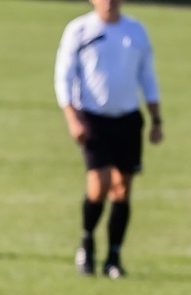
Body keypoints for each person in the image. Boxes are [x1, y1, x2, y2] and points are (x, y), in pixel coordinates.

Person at [54, 0, 162, 278]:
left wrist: (156, 118)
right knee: (99, 184)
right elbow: (64, 76)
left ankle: (114, 256)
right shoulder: (79, 30)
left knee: (122, 190)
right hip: (93, 117)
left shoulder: (135, 31)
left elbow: (147, 76)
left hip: (127, 118)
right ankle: (87, 241)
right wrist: (73, 119)